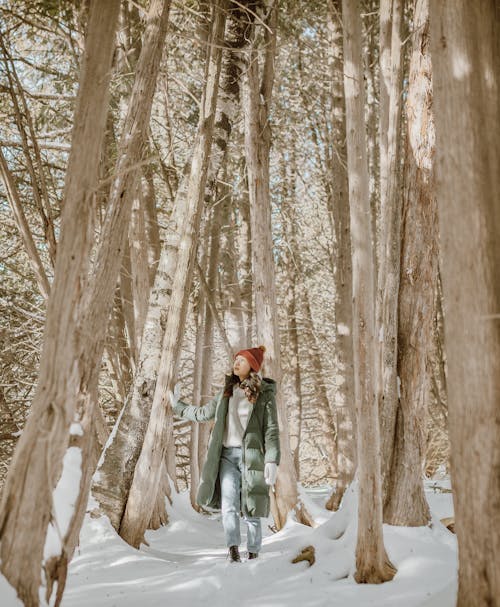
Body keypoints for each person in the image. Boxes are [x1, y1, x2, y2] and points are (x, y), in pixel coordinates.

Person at [168, 345, 280, 563]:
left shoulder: (265, 395)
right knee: (229, 504)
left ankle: (254, 551)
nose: (236, 363)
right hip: (227, 456)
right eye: (235, 359)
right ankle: (233, 549)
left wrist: (272, 459)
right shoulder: (226, 393)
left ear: (253, 367)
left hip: (253, 457)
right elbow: (202, 413)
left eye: (242, 360)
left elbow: (272, 429)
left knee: (252, 505)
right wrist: (177, 406)